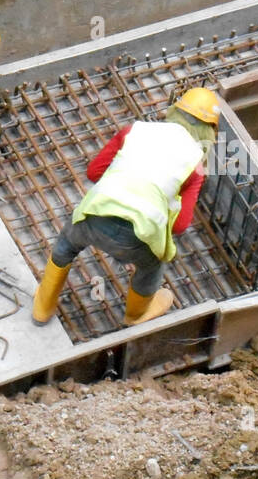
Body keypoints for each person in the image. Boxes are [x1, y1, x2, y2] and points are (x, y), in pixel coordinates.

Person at [33, 87, 221, 328]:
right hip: (137, 239)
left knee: (65, 245)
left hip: (94, 216)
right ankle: (135, 315)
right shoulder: (195, 165)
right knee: (153, 265)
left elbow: (94, 172)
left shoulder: (136, 130)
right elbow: (181, 225)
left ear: (175, 110)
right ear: (210, 131)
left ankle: (42, 307)